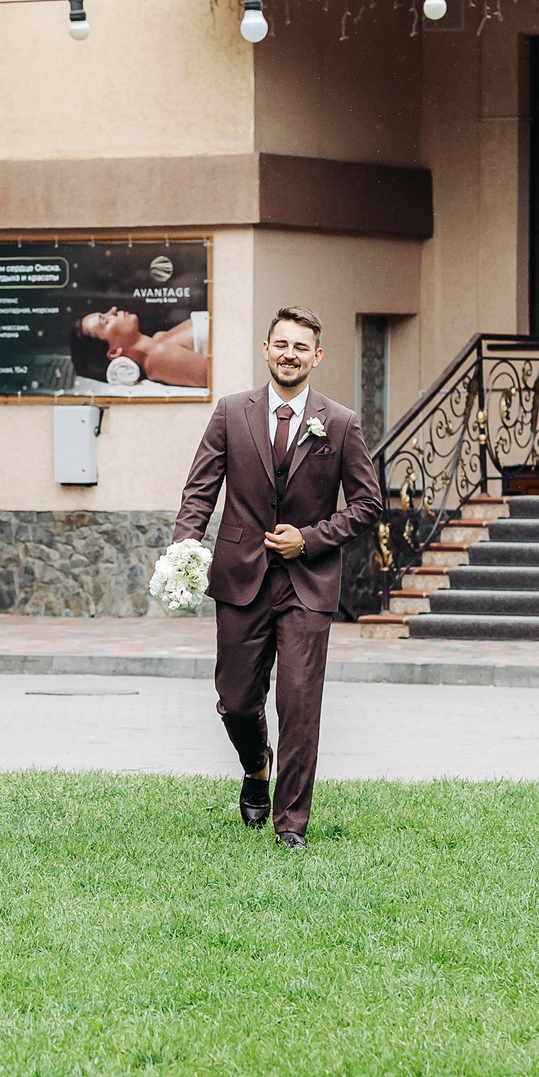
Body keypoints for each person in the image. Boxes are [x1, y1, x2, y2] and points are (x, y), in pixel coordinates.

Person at [171, 307, 382, 848]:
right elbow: (201, 488)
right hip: (241, 575)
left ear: (317, 356)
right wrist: (184, 549)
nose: (290, 354)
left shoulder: (340, 422)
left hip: (307, 584)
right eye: (281, 344)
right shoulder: (230, 412)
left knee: (298, 700)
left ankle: (291, 823)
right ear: (266, 350)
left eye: (300, 346)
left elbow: (366, 504)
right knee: (237, 700)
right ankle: (255, 764)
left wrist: (309, 538)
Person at [78, 307, 209, 389]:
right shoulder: (159, 358)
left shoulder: (159, 338)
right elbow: (221, 378)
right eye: (106, 321)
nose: (113, 310)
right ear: (113, 351)